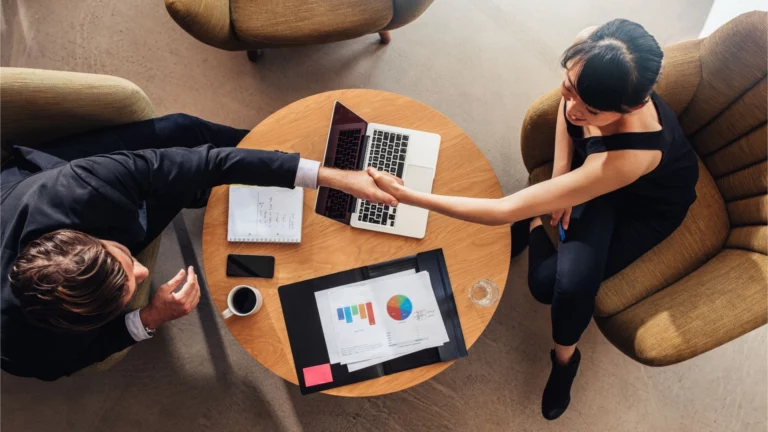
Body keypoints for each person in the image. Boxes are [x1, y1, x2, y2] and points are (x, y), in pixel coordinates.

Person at [369, 19, 698, 420]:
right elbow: (568, 111)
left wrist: (405, 196)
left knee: (555, 286)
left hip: (646, 205)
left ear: (634, 106)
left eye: (592, 110)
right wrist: (561, 177)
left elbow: (504, 210)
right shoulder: (589, 46)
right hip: (591, 176)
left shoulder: (630, 157)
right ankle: (538, 226)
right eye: (569, 88)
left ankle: (565, 361)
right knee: (550, 282)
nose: (573, 109)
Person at [1, 113, 398, 381]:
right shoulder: (24, 351)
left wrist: (332, 177)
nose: (144, 271)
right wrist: (149, 317)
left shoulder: (83, 184)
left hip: (31, 183)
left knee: (185, 131)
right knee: (186, 189)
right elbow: (80, 356)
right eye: (129, 289)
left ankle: (273, 154)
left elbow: (206, 162)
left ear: (86, 236)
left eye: (126, 262)